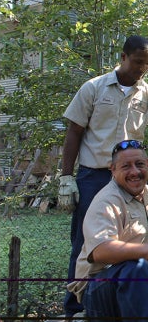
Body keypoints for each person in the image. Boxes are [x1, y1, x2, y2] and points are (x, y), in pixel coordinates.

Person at [58, 35, 148, 316]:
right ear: (122, 58)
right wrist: (66, 177)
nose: (141, 69)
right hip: (94, 175)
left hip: (131, 175)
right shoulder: (94, 88)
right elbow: (74, 132)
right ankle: (75, 307)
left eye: (146, 65)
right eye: (137, 62)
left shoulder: (145, 94)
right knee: (85, 242)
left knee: (135, 237)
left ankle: (121, 297)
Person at [67, 140, 148, 319]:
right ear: (113, 170)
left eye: (140, 164)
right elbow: (101, 251)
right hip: (97, 287)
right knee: (137, 268)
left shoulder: (145, 194)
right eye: (126, 166)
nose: (135, 172)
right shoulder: (106, 201)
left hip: (134, 284)